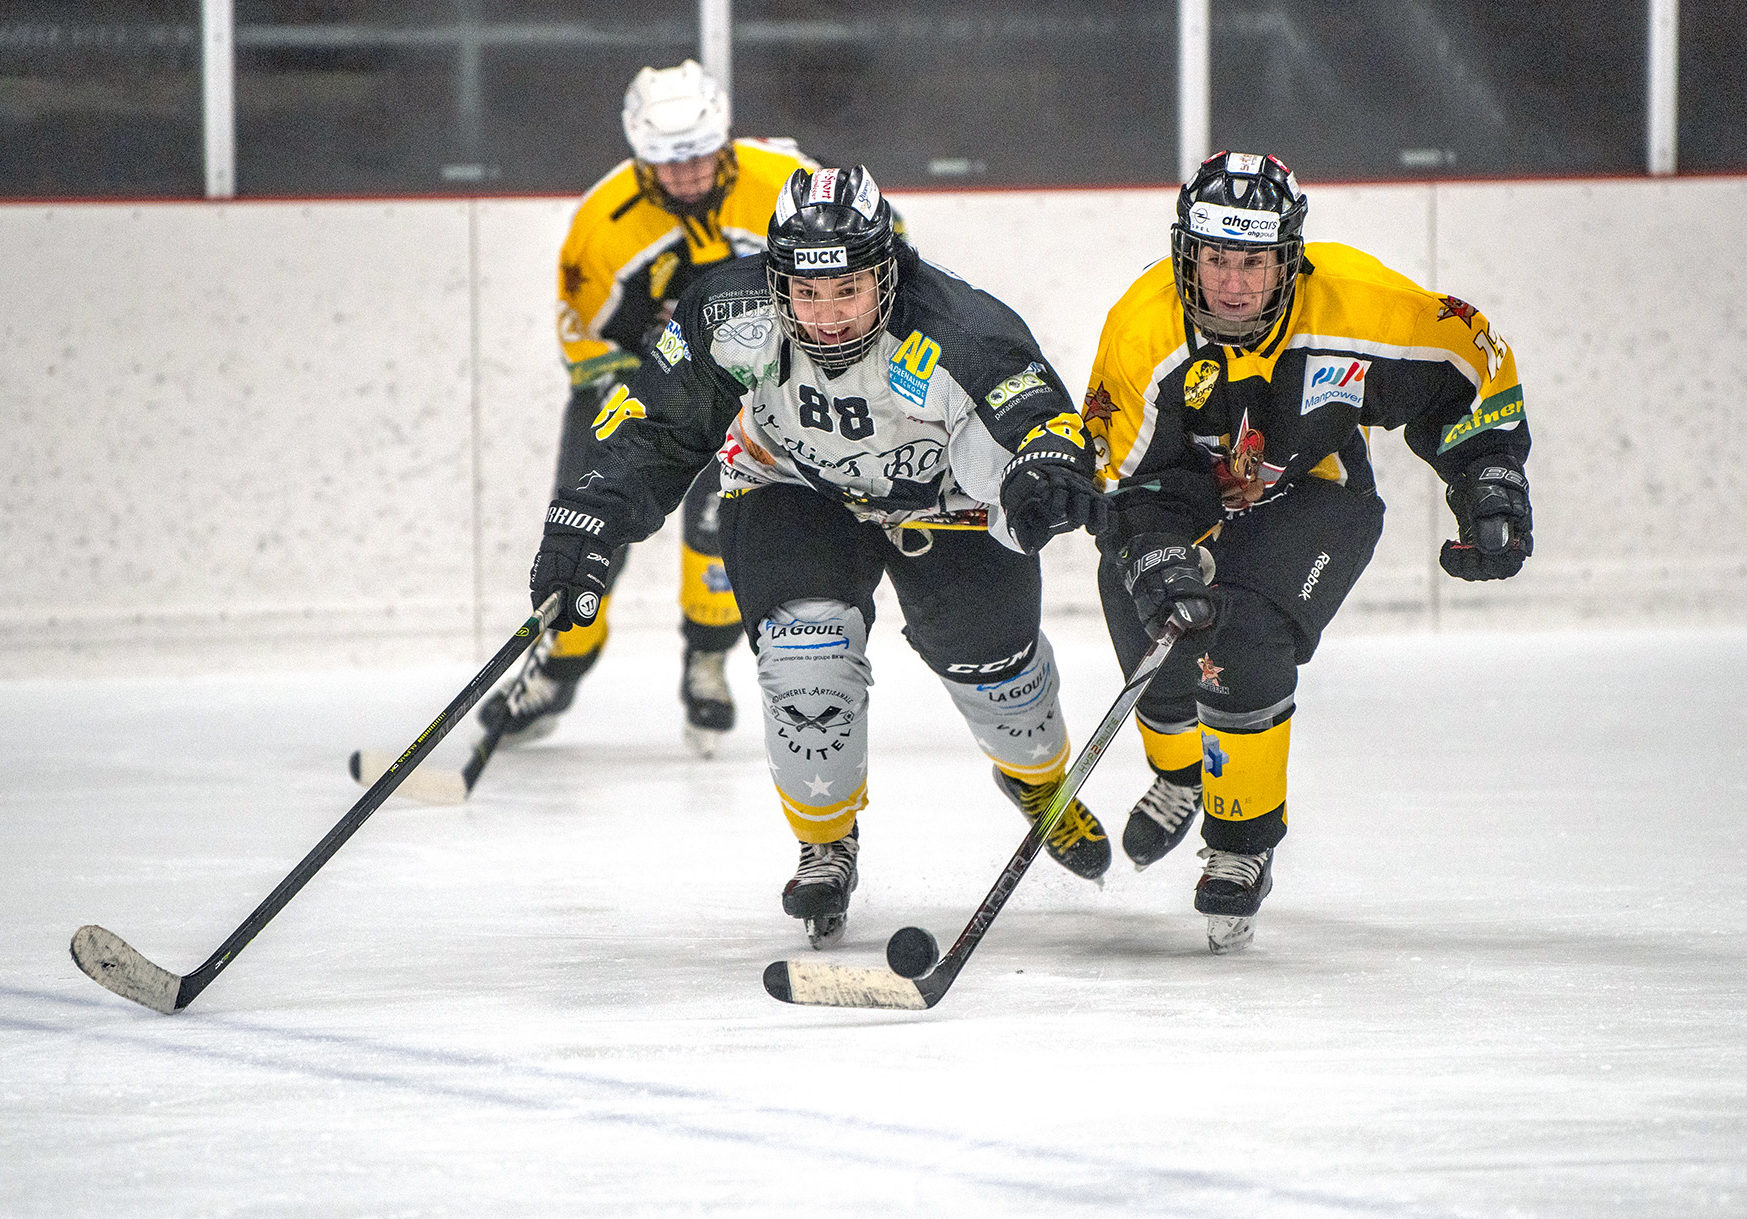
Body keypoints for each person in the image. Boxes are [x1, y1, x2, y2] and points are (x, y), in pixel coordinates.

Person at [525, 164, 1114, 946]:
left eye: (848, 290)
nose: (828, 315)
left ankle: (1038, 780)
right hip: (793, 487)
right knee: (807, 657)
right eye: (806, 292)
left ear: (886, 275)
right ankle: (825, 839)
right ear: (778, 281)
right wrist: (588, 517)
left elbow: (1039, 414)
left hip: (946, 501)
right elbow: (658, 430)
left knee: (1000, 674)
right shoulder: (728, 312)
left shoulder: (960, 325)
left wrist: (1048, 466)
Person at [1082, 150, 1534, 952]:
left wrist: (1490, 479)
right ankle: (1181, 769)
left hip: (1317, 491)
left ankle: (1241, 844)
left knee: (1242, 631)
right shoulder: (1142, 329)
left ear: (1290, 258)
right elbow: (1121, 481)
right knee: (1141, 609)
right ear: (1187, 252)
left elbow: (1472, 361)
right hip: (1183, 500)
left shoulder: (1356, 306)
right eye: (1216, 258)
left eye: (1253, 262)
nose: (1232, 284)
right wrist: (1153, 550)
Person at [478, 60, 817, 756]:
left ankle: (708, 659)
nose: (686, 175)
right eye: (668, 161)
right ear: (640, 156)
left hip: (758, 381)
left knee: (722, 522)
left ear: (723, 141)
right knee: (587, 511)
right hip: (642, 379)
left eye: (699, 156)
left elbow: (874, 254)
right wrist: (629, 393)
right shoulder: (603, 222)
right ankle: (558, 662)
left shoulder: (788, 183)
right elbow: (584, 332)